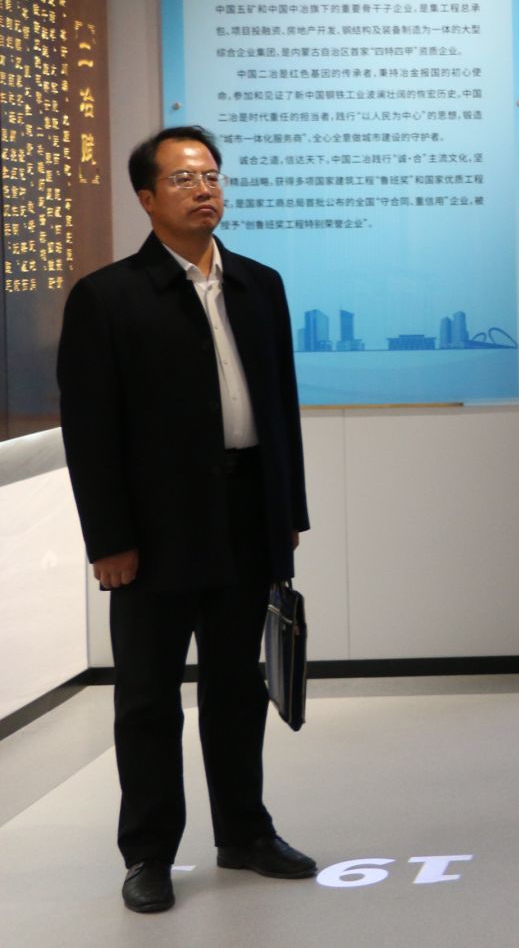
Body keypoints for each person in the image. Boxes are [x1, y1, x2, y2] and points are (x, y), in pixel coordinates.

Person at [58, 126, 318, 915]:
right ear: (146, 197)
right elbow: (91, 431)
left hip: (245, 513)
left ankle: (244, 830)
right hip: (154, 529)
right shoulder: (108, 297)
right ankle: (148, 853)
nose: (204, 189)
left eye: (211, 175)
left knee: (239, 686)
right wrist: (109, 539)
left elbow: (280, 407)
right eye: (183, 178)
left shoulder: (259, 284)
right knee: (147, 697)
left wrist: (288, 510)